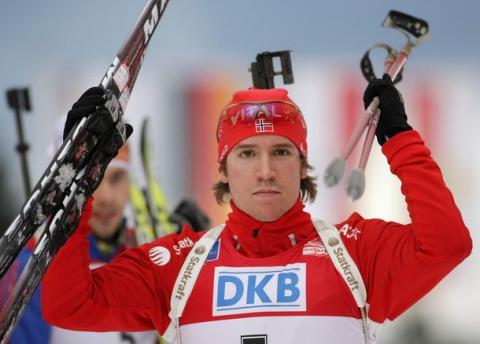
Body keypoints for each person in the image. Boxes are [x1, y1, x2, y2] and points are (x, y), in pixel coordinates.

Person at [40, 75, 472, 344]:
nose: (266, 171)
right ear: (224, 169)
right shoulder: (177, 266)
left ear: (302, 164)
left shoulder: (356, 253)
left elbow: (446, 243)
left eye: (281, 152)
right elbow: (69, 305)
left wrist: (398, 137)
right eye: (246, 154)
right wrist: (79, 174)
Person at [0, 109, 157, 343]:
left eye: (117, 178)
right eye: (92, 182)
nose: (105, 198)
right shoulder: (28, 267)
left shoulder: (147, 254)